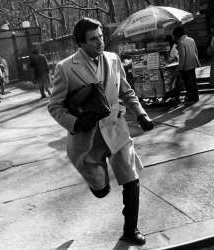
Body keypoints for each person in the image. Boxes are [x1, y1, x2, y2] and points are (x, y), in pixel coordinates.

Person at [48, 18, 154, 245]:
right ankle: (98, 184)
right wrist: (75, 124)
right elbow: (54, 106)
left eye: (101, 37)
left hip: (116, 129)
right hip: (89, 138)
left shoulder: (114, 59)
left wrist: (141, 114)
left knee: (131, 178)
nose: (100, 42)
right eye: (93, 39)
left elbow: (126, 91)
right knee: (101, 191)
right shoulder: (65, 68)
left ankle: (130, 230)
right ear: (81, 43)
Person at [173, 26, 200, 105]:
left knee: (188, 83)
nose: (174, 38)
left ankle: (191, 98)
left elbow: (182, 56)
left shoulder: (181, 42)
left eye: (175, 36)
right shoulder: (191, 39)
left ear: (177, 35)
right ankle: (195, 97)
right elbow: (196, 51)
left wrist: (180, 68)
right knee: (193, 81)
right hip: (193, 63)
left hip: (186, 66)